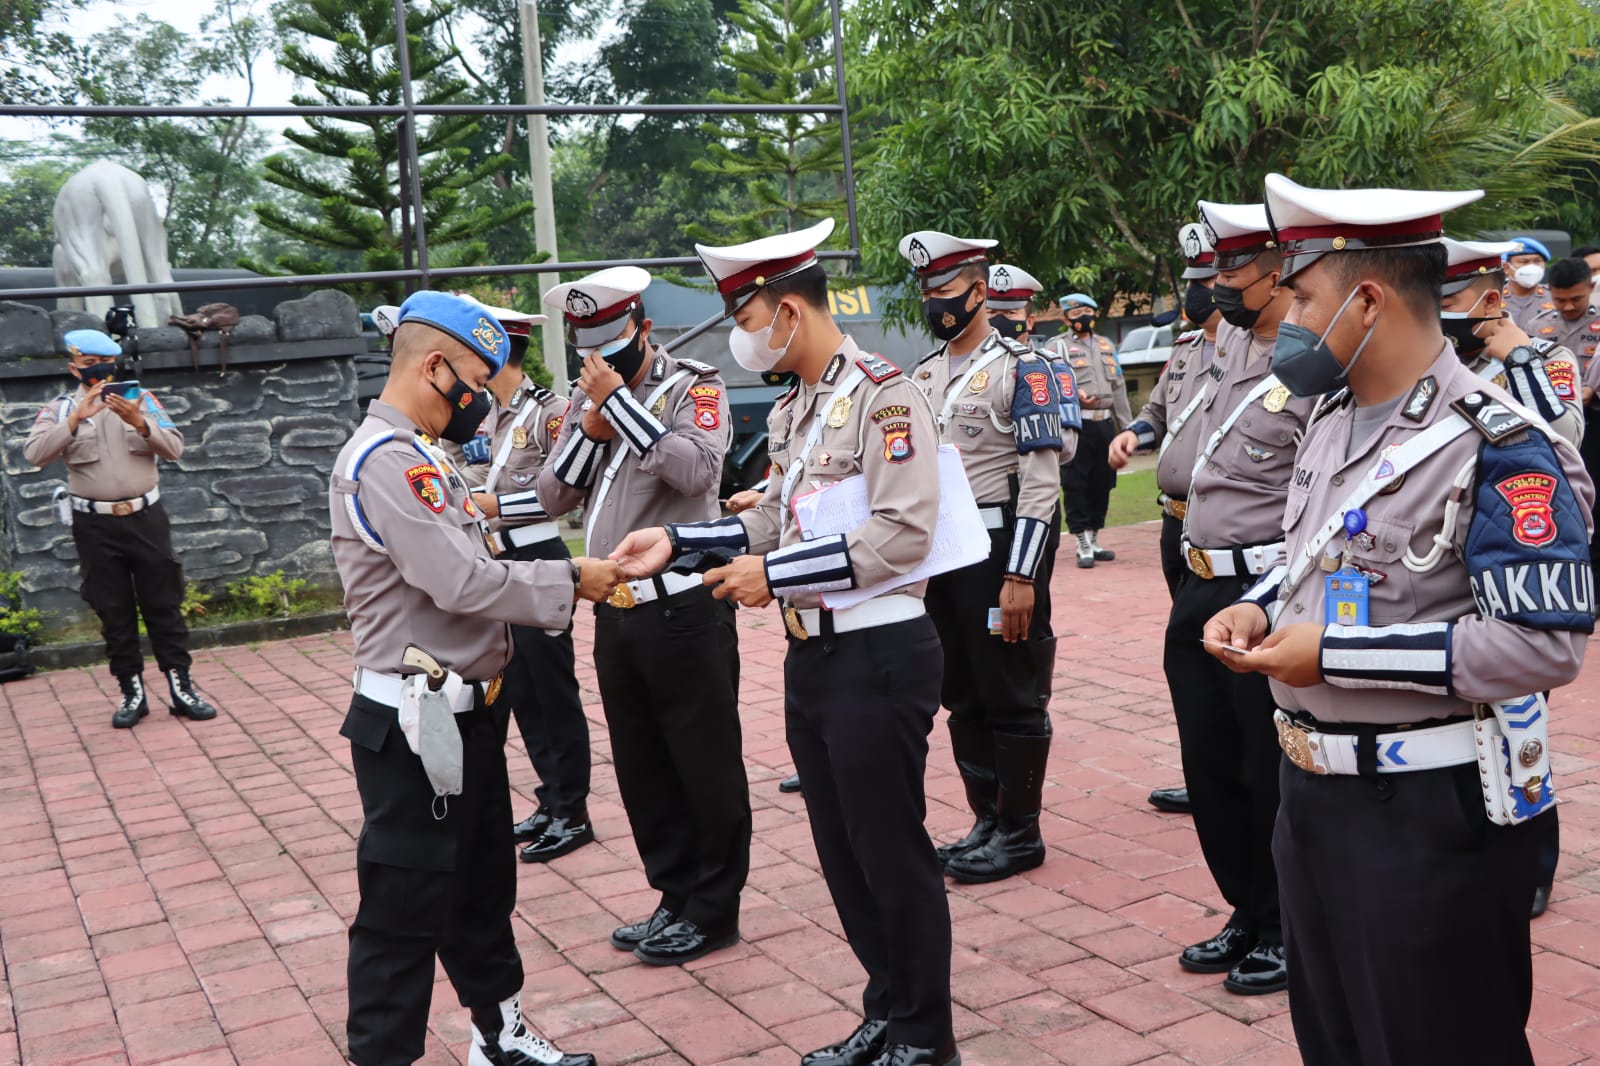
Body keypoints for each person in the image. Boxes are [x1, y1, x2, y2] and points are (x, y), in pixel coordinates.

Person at [1206, 173, 1594, 1066]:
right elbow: (1315, 564)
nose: (1289, 316)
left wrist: (1333, 655)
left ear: (1367, 299)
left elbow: (1542, 645)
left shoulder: (1501, 445)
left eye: (1302, 295)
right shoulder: (1332, 419)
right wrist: (1256, 607)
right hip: (1311, 801)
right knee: (1337, 1042)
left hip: (1427, 817)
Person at [613, 217, 959, 1066]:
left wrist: (775, 575)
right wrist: (683, 544)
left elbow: (903, 534)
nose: (743, 338)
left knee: (890, 851)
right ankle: (888, 1004)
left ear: (789, 313)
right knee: (843, 854)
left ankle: (926, 1036)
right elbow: (770, 517)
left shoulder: (886, 393)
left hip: (879, 650)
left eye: (747, 316)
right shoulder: (802, 407)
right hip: (816, 655)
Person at [329, 291, 609, 1066]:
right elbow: (458, 582)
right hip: (414, 728)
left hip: (468, 714)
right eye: (477, 381)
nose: (483, 400)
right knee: (404, 905)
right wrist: (572, 578)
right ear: (434, 365)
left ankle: (501, 1034)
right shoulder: (384, 462)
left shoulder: (423, 452)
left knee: (483, 887)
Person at [537, 266, 751, 967]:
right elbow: (551, 496)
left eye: (613, 345)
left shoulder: (696, 386)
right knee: (642, 767)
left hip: (685, 609)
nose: (599, 363)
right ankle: (675, 893)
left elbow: (696, 473)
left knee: (703, 763)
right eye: (587, 351)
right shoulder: (585, 400)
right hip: (617, 614)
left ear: (643, 329)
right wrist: (592, 427)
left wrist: (623, 408)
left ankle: (714, 909)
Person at [375, 301, 597, 865]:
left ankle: (572, 807)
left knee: (552, 693)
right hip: (489, 563)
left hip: (532, 554)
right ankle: (550, 800)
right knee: (518, 692)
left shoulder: (550, 412)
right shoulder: (456, 419)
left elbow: (562, 489)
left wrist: (494, 503)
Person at [1164, 197, 1315, 996]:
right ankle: (1248, 908)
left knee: (1266, 769)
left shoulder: (1309, 368)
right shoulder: (1221, 346)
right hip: (1197, 582)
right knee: (1212, 766)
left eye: (1233, 269)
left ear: (1276, 272)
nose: (1218, 284)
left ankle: (1289, 923)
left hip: (1264, 590)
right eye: (1217, 268)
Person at [897, 235, 1063, 885]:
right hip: (943, 559)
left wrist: (1023, 575)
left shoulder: (1025, 369)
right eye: (926, 294)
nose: (933, 305)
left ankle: (1021, 831)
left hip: (999, 557)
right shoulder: (923, 375)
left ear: (976, 291)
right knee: (961, 694)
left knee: (1011, 692)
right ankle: (987, 820)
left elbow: (1042, 481)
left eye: (943, 292)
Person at [1440, 239, 1587, 918]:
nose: (1442, 317)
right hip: (1447, 562)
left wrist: (1518, 356)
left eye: (1451, 302)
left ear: (1490, 300)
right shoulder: (1435, 368)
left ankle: (1536, 864)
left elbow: (1563, 434)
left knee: (1519, 720)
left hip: (1516, 563)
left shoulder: (1544, 358)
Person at [24, 329, 218, 729]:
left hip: (146, 518)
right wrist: (76, 421)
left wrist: (141, 423)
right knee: (113, 609)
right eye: (90, 365)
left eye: (105, 363)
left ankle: (181, 687)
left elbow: (175, 448)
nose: (100, 371)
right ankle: (132, 692)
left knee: (163, 604)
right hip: (94, 523)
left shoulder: (142, 400)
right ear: (74, 368)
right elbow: (34, 455)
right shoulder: (60, 409)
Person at [1109, 222, 1225, 816]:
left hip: (1225, 526)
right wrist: (1133, 434)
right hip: (1174, 522)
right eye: (1192, 282)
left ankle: (1232, 774)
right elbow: (1158, 413)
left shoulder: (1255, 348)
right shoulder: (1183, 350)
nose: (1197, 291)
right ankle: (1201, 772)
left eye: (1206, 280)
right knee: (1189, 655)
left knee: (1222, 653)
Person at [1047, 292, 1130, 566]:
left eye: (1086, 310)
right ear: (1066, 318)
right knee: (1075, 484)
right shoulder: (1056, 347)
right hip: (1076, 423)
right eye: (1076, 312)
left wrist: (1129, 428)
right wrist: (1074, 395)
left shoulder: (1107, 345)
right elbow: (1048, 384)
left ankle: (1094, 538)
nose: (1083, 316)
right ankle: (1081, 541)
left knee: (1102, 483)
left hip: (1104, 422)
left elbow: (1118, 388)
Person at [1501, 235, 1553, 333]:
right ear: (1506, 268)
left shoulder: (1554, 298)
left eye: (1537, 261)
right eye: (1524, 262)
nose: (1531, 266)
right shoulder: (1495, 299)